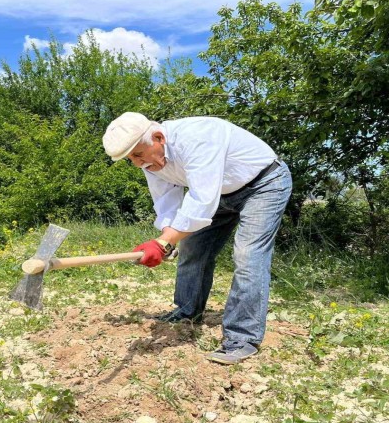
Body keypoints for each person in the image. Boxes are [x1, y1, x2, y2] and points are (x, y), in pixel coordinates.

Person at [102, 112, 293, 364]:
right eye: (130, 159)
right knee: (192, 247)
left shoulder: (198, 136)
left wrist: (165, 241)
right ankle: (187, 311)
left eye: (138, 155)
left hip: (263, 184)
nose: (137, 164)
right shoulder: (150, 161)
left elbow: (202, 200)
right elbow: (166, 202)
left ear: (158, 137)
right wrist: (165, 239)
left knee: (248, 255)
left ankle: (243, 338)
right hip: (220, 193)